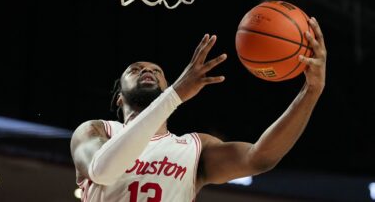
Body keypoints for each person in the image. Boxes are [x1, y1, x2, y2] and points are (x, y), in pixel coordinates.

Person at [70, 17, 326, 202]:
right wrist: (175, 94)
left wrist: (311, 91)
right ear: (118, 98)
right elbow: (102, 171)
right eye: (135, 70)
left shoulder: (194, 147)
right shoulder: (96, 130)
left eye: (156, 71)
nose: (147, 71)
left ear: (166, 86)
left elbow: (260, 158)